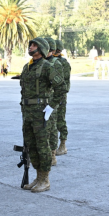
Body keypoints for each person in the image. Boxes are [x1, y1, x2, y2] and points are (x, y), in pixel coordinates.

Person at [20, 37, 66, 192]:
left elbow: (61, 88)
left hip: (41, 112)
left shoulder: (47, 66)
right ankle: (38, 177)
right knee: (31, 145)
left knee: (42, 146)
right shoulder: (27, 67)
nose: (30, 47)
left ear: (41, 49)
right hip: (28, 112)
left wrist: (51, 107)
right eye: (30, 44)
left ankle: (45, 180)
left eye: (33, 45)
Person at [44, 37, 64, 166]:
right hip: (41, 101)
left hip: (52, 101)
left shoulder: (56, 63)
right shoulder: (40, 63)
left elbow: (61, 85)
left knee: (52, 128)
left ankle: (52, 154)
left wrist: (55, 102)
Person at [54, 40, 71, 156]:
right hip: (49, 96)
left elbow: (64, 82)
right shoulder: (49, 61)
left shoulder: (63, 63)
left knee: (60, 120)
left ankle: (63, 145)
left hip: (60, 95)